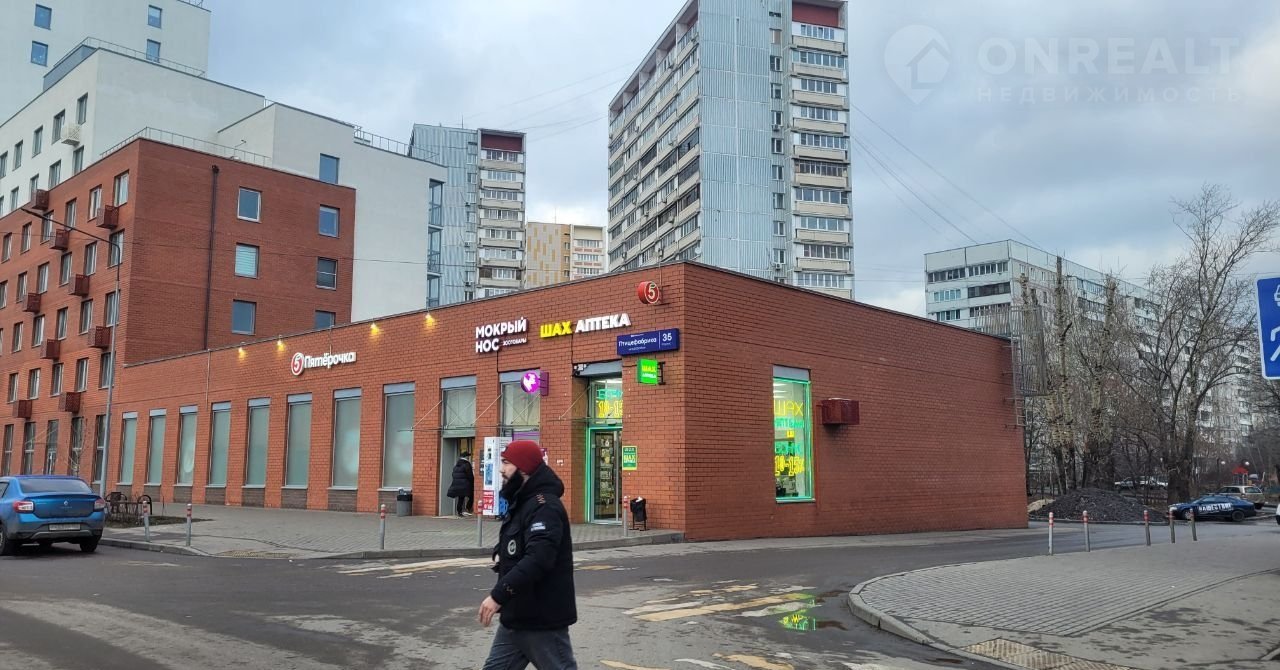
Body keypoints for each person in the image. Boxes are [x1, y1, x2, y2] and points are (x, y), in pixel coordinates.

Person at [478, 440, 577, 670]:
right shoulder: (523, 503)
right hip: (516, 617)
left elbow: (538, 559)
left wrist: (498, 596)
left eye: (506, 463)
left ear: (523, 468)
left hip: (541, 620)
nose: (501, 469)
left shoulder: (545, 507)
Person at [447, 452, 475, 517]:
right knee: (472, 495)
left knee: (461, 498)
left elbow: (453, 474)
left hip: (457, 484)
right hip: (465, 484)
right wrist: (473, 482)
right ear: (466, 457)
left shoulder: (456, 465)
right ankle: (468, 509)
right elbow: (470, 475)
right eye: (468, 456)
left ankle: (459, 512)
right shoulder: (467, 464)